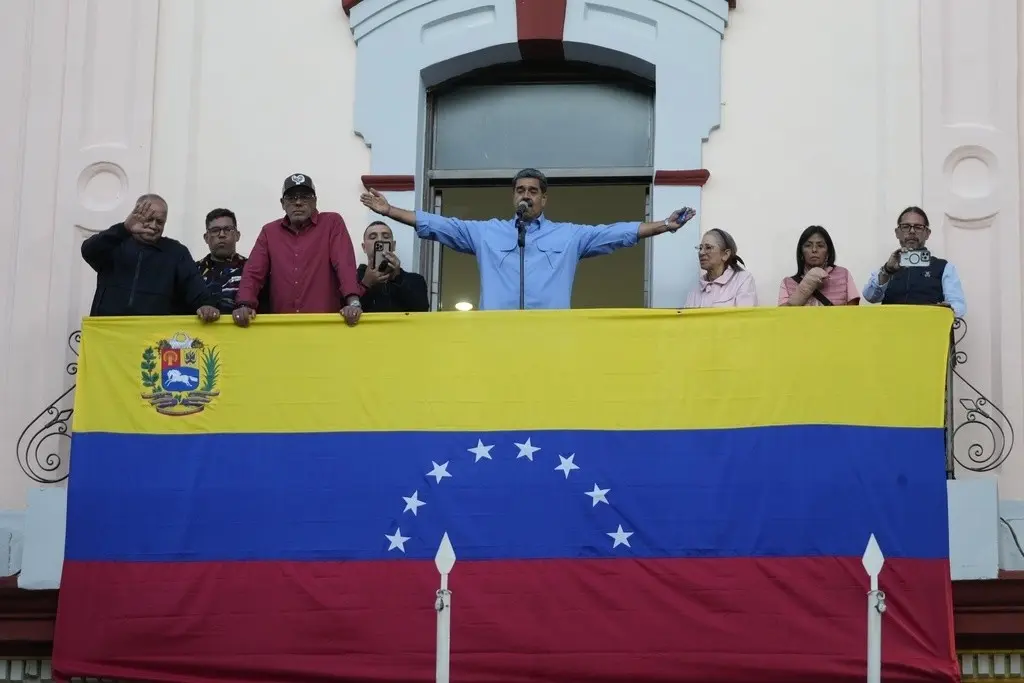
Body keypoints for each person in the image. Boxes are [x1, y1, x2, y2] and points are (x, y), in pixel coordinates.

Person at [359, 168, 695, 310]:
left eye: (533, 191)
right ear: (513, 196)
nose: (527, 196)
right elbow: (438, 224)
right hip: (496, 339)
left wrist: (663, 225)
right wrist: (390, 210)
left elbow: (615, 233)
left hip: (550, 339)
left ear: (544, 199)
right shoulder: (487, 232)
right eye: (520, 190)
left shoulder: (568, 236)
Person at [233, 174, 364, 327]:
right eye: (291, 198)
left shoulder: (332, 223)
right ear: (282, 203)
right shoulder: (269, 232)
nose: (298, 202)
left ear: (315, 201)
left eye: (305, 197)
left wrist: (353, 301)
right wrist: (244, 304)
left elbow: (344, 263)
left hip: (325, 325)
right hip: (282, 327)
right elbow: (254, 272)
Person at [81, 194, 219, 321]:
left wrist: (206, 305)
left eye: (159, 222)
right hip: (107, 334)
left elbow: (195, 290)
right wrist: (124, 229)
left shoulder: (176, 253)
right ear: (135, 216)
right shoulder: (115, 244)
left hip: (153, 339)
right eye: (149, 219)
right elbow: (88, 250)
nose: (154, 226)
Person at [861, 206, 966, 318]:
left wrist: (946, 309)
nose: (912, 231)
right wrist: (887, 271)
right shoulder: (889, 267)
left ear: (927, 233)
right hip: (891, 331)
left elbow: (958, 305)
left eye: (918, 227)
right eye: (906, 227)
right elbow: (870, 297)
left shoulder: (943, 267)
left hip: (928, 331)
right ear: (897, 233)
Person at [778, 226, 860, 306]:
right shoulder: (787, 283)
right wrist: (804, 288)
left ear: (828, 252)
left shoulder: (843, 275)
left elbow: (852, 314)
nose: (814, 250)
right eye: (808, 245)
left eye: (820, 245)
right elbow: (782, 316)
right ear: (801, 252)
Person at [357, 221, 429, 313]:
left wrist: (397, 278)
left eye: (386, 237)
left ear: (393, 245)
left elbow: (421, 311)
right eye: (373, 237)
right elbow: (346, 311)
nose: (380, 240)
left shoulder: (415, 280)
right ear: (364, 247)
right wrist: (365, 284)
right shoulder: (352, 280)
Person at [197, 208, 253, 314]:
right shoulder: (193, 271)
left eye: (227, 229)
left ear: (237, 235)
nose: (222, 234)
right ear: (206, 237)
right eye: (215, 230)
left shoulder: (252, 270)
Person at [684, 229, 757, 308]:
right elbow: (686, 319)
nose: (701, 253)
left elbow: (745, 317)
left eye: (708, 248)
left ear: (725, 254)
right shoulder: (697, 287)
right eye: (700, 248)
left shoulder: (743, 280)